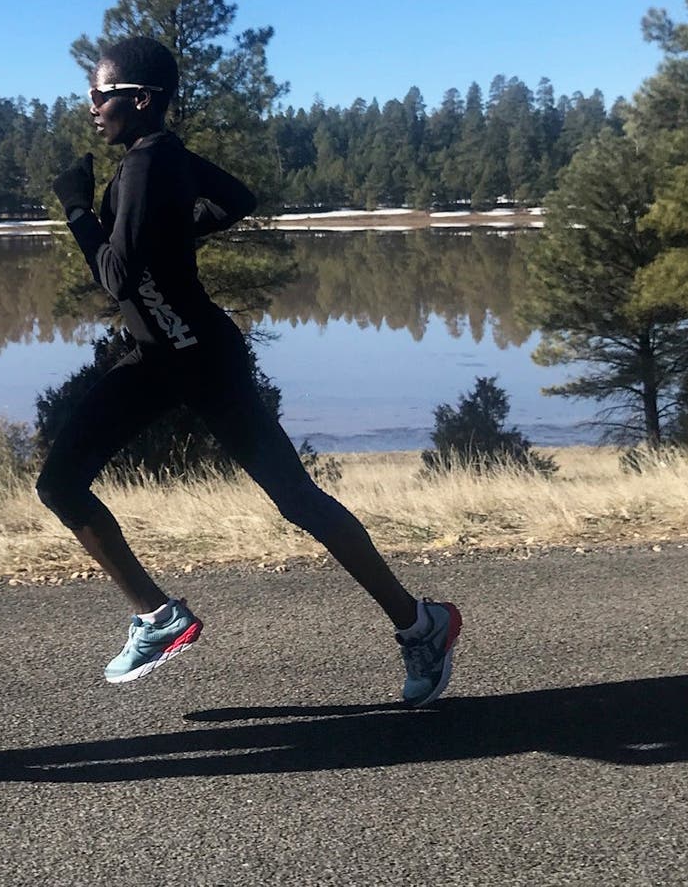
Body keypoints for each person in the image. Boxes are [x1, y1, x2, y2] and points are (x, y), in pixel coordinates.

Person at [38, 35, 462, 705]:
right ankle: (157, 617)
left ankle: (422, 624)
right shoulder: (161, 159)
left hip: (202, 362)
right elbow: (237, 197)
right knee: (61, 483)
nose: (91, 108)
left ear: (140, 99)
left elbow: (117, 276)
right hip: (161, 358)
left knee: (297, 499)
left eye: (100, 95)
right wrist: (173, 233)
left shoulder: (149, 165)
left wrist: (76, 209)